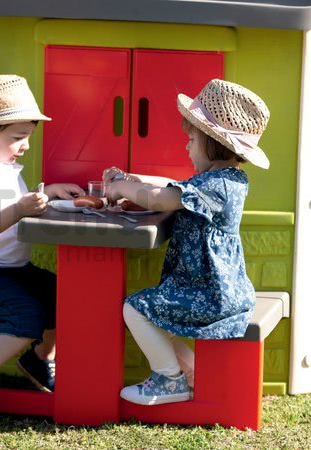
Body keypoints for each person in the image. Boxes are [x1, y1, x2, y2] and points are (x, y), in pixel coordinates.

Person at [103, 78, 270, 405]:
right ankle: (190, 372)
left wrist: (122, 189)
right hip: (216, 289)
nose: (186, 147)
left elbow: (163, 199)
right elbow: (175, 188)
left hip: (212, 294)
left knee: (136, 308)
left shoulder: (217, 185)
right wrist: (135, 179)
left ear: (212, 143)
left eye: (191, 139)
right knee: (153, 310)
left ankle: (169, 380)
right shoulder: (225, 177)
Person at [0, 74, 84, 428]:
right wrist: (20, 209)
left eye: (26, 138)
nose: (24, 146)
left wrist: (49, 192)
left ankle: (39, 357)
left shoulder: (2, 166)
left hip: (12, 268)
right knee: (26, 316)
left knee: (64, 296)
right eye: (17, 138)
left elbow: (8, 202)